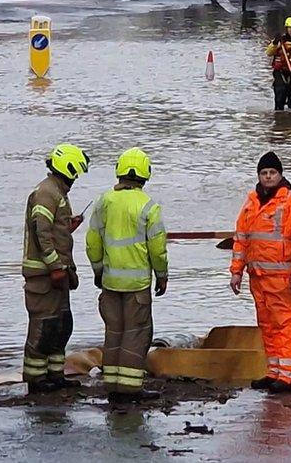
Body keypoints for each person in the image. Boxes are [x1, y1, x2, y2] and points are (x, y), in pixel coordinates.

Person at [86, 147, 169, 404]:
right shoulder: (149, 207)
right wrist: (162, 275)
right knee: (136, 333)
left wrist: (98, 271)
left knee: (114, 332)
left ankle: (111, 384)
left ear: (119, 171)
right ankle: (130, 389)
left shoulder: (104, 202)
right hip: (137, 285)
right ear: (145, 174)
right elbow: (158, 248)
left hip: (110, 282)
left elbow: (92, 242)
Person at [229, 152, 291, 395]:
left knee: (284, 325)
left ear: (280, 175)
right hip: (257, 277)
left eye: (272, 173)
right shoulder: (250, 204)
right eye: (264, 173)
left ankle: (288, 376)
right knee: (266, 326)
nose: (268, 177)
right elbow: (241, 241)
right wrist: (236, 272)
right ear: (259, 176)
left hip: (281, 279)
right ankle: (274, 372)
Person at [21, 144, 89, 394]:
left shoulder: (57, 193)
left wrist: (67, 227)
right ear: (67, 168)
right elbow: (41, 233)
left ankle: (55, 375)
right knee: (43, 327)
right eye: (75, 173)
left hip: (56, 274)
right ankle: (36, 380)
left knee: (61, 326)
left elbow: (51, 230)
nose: (75, 178)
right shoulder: (47, 193)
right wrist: (55, 266)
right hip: (44, 276)